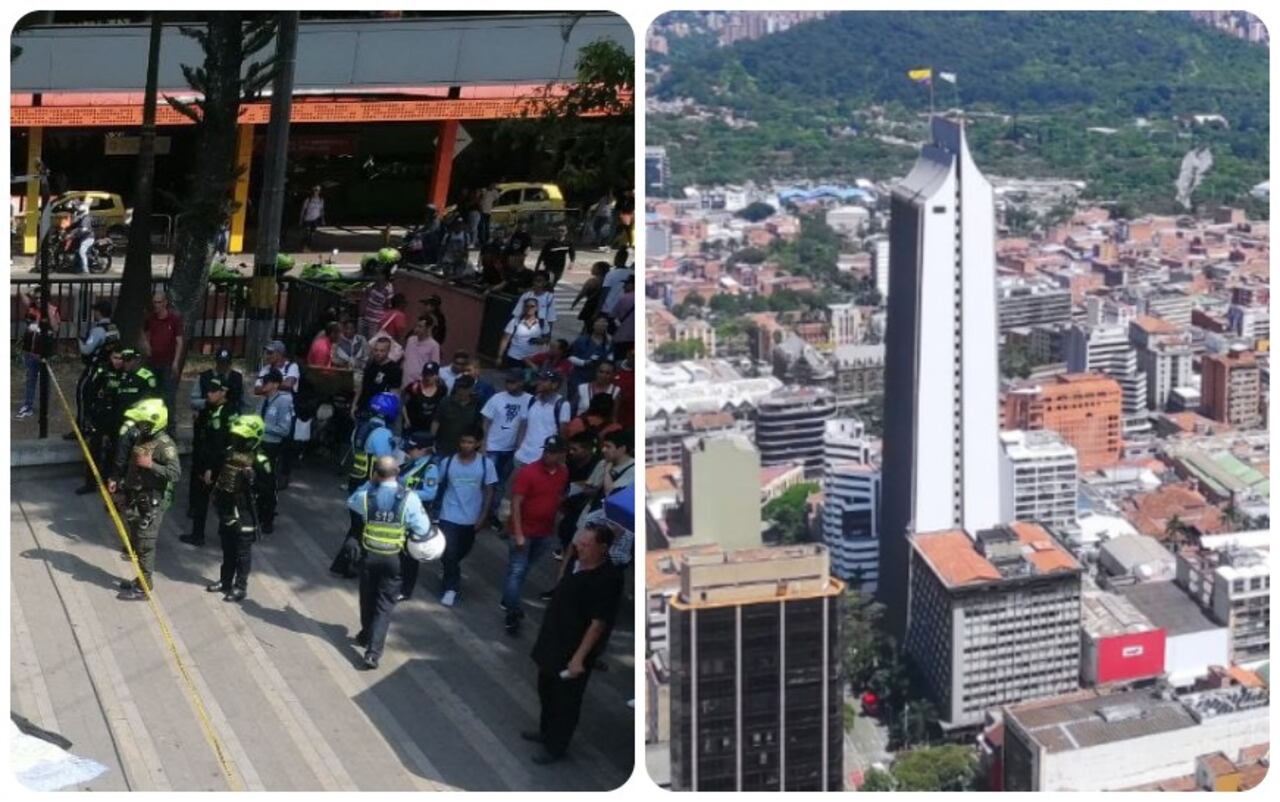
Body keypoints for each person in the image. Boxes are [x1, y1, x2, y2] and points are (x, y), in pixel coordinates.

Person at [524, 521, 622, 763]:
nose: (580, 547)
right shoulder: (576, 562)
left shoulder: (607, 578)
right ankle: (546, 732)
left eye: (586, 544)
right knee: (546, 690)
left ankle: (556, 746)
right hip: (552, 640)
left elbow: (598, 623)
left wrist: (579, 658)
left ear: (603, 548)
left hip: (572, 649)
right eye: (579, 541)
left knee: (565, 701)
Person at [348, 456, 436, 670]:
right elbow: (423, 529)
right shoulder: (410, 498)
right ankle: (373, 653)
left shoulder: (366, 495)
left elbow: (350, 502)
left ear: (375, 474)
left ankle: (366, 634)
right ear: (397, 473)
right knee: (385, 606)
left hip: (370, 557)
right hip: (394, 560)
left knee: (367, 600)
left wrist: (370, 482)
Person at [108, 399, 182, 600]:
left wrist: (152, 465)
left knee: (145, 544)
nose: (140, 427)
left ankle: (144, 588)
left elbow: (175, 474)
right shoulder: (142, 437)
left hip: (153, 500)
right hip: (137, 496)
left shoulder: (165, 446)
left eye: (144, 424)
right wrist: (119, 480)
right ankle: (140, 578)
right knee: (136, 539)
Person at [502, 435, 570, 634]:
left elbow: (558, 497)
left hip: (545, 531)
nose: (548, 455)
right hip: (523, 532)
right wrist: (519, 532)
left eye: (553, 452)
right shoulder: (528, 472)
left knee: (523, 570)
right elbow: (516, 502)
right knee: (517, 571)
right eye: (546, 451)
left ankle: (509, 597)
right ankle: (512, 612)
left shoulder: (563, 473)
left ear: (561, 454)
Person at [206, 415, 277, 602]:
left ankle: (240, 587)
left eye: (242, 438)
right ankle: (225, 581)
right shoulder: (229, 451)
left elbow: (269, 490)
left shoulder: (261, 460)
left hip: (245, 511)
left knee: (242, 552)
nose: (237, 440)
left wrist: (252, 479)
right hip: (226, 506)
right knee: (227, 547)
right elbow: (218, 469)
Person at [333, 392, 400, 578]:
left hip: (356, 479)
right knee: (361, 528)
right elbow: (385, 462)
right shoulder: (383, 433)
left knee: (357, 524)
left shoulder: (360, 428)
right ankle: (347, 565)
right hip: (371, 483)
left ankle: (345, 565)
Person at [433, 428, 498, 607]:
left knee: (461, 551)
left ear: (477, 444)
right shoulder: (448, 463)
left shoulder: (486, 465)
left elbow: (489, 491)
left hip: (471, 517)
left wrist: (483, 516)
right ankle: (451, 587)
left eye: (470, 442)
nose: (466, 446)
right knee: (449, 551)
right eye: (463, 442)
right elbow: (439, 486)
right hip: (449, 515)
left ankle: (450, 569)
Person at [180, 378, 236, 547]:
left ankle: (200, 535)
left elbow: (217, 445)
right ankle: (220, 534)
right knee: (216, 500)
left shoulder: (221, 414)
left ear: (223, 392)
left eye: (213, 391)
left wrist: (210, 469)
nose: (209, 394)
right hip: (213, 461)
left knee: (206, 499)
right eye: (208, 391)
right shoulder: (216, 409)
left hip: (214, 464)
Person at [395, 432, 441, 601]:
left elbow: (430, 493)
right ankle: (396, 582)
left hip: (417, 515)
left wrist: (405, 492)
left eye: (412, 449)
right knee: (399, 549)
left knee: (410, 553)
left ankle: (405, 589)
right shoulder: (411, 463)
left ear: (423, 450)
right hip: (403, 512)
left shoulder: (430, 468)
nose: (409, 451)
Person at [75, 344, 126, 495]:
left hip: (118, 418)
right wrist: (89, 416)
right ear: (110, 357)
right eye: (115, 357)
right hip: (101, 415)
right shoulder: (102, 370)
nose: (118, 361)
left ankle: (110, 481)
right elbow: (89, 393)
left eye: (121, 358)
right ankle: (90, 483)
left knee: (115, 451)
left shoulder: (127, 374)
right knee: (94, 449)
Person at [481, 370, 529, 517]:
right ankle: (481, 511)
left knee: (502, 483)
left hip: (512, 450)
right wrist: (484, 443)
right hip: (493, 447)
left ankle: (492, 513)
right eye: (507, 381)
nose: (509, 385)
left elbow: (524, 424)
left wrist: (519, 447)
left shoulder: (529, 400)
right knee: (488, 482)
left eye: (512, 382)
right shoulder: (497, 398)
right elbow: (486, 421)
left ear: (521, 382)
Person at [551, 431, 603, 561]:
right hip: (570, 497)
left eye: (575, 449)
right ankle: (566, 549)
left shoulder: (597, 465)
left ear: (587, 450)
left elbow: (593, 485)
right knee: (565, 527)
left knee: (568, 527)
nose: (571, 452)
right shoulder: (570, 460)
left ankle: (570, 552)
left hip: (585, 501)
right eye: (570, 449)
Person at [512, 371, 571, 476]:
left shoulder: (562, 405)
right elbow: (524, 425)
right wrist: (518, 447)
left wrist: (560, 459)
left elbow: (563, 435)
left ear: (555, 384)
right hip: (522, 456)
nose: (539, 382)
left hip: (543, 459)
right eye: (540, 379)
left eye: (544, 381)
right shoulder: (532, 400)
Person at [73, 299, 119, 430]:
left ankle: (81, 427)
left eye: (95, 310)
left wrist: (80, 341)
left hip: (94, 368)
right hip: (109, 368)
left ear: (98, 312)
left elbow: (86, 350)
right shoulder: (114, 329)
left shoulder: (98, 330)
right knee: (100, 397)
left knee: (82, 393)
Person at [143, 292, 184, 427]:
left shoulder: (174, 319)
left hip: (167, 363)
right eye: (154, 302)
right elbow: (145, 334)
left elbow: (179, 341)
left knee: (168, 398)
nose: (156, 305)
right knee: (153, 396)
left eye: (159, 302)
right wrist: (147, 347)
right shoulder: (151, 319)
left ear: (165, 302)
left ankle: (171, 429)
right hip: (153, 362)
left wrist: (176, 362)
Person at [257, 369, 295, 487]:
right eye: (264, 381)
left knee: (266, 475)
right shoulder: (263, 400)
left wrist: (264, 427)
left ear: (276, 384)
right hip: (258, 441)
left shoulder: (283, 402)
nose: (264, 384)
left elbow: (284, 429)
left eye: (268, 382)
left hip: (271, 444)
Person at [432, 374, 482, 457]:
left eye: (465, 388)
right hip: (443, 447)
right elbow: (436, 421)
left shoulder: (477, 404)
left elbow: (479, 426)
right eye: (460, 387)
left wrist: (478, 445)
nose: (462, 391)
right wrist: (432, 441)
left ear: (471, 388)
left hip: (465, 449)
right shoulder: (446, 402)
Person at [567, 317, 612, 401]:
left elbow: (610, 358)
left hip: (598, 379)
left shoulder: (608, 343)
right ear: (593, 326)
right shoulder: (581, 340)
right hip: (580, 377)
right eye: (599, 323)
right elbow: (570, 356)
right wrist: (584, 362)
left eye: (604, 324)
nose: (602, 326)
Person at [499, 298, 550, 369]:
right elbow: (505, 339)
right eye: (527, 306)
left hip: (533, 359)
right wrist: (500, 356)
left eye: (532, 306)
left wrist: (539, 341)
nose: (529, 308)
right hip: (515, 357)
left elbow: (547, 339)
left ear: (537, 308)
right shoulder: (515, 321)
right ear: (524, 307)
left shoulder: (543, 323)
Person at [191, 348, 245, 414]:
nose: (223, 365)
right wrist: (207, 402)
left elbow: (245, 403)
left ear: (230, 363)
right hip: (207, 416)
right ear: (216, 361)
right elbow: (193, 402)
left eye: (226, 362)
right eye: (221, 362)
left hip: (231, 417)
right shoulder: (204, 377)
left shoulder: (237, 378)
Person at [355, 338, 403, 412]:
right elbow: (362, 385)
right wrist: (354, 404)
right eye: (376, 350)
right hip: (363, 407)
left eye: (382, 351)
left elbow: (395, 395)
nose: (378, 353)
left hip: (380, 411)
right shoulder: (370, 364)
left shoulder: (394, 369)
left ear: (388, 351)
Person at [402, 361, 447, 434]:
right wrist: (406, 420)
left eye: (431, 375)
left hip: (430, 428)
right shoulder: (413, 387)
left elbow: (442, 409)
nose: (427, 377)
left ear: (437, 375)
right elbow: (402, 404)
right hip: (413, 427)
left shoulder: (442, 390)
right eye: (425, 374)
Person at [400, 315, 441, 388]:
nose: (417, 329)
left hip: (420, 384)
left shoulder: (434, 345)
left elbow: (435, 367)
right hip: (405, 381)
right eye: (416, 326)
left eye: (420, 326)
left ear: (428, 328)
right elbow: (405, 358)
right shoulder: (410, 340)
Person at [570, 262, 609, 332]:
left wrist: (575, 302)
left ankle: (584, 338)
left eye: (594, 267)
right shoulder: (607, 281)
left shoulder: (592, 281)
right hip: (603, 307)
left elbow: (582, 293)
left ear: (600, 270)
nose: (592, 269)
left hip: (591, 305)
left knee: (587, 326)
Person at [361, 267, 395, 340]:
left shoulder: (388, 289)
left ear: (384, 276)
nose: (376, 276)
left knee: (372, 340)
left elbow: (387, 307)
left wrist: (382, 321)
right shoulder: (372, 285)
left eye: (379, 274)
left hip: (376, 321)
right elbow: (364, 297)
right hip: (365, 317)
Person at [599, 248, 632, 319]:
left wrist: (597, 309)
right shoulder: (631, 273)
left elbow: (604, 293)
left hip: (607, 308)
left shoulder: (611, 274)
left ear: (616, 258)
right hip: (622, 309)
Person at [610, 276, 635, 361]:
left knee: (620, 361)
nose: (624, 286)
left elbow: (612, 315)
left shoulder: (625, 298)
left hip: (623, 337)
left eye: (626, 284)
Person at [72, 202, 96, 274]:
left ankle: (85, 270)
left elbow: (84, 230)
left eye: (80, 212)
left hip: (88, 238)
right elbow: (74, 224)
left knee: (81, 252)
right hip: (83, 238)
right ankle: (77, 267)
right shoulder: (81, 218)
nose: (78, 213)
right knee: (77, 251)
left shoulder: (86, 219)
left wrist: (75, 234)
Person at [299, 185, 326, 250]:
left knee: (312, 234)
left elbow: (321, 210)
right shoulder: (308, 199)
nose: (316, 191)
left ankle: (308, 246)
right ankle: (304, 245)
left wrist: (323, 219)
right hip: (308, 218)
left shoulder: (321, 200)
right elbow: (303, 209)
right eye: (315, 190)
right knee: (307, 233)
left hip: (315, 219)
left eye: (318, 190)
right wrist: (300, 219)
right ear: (313, 191)